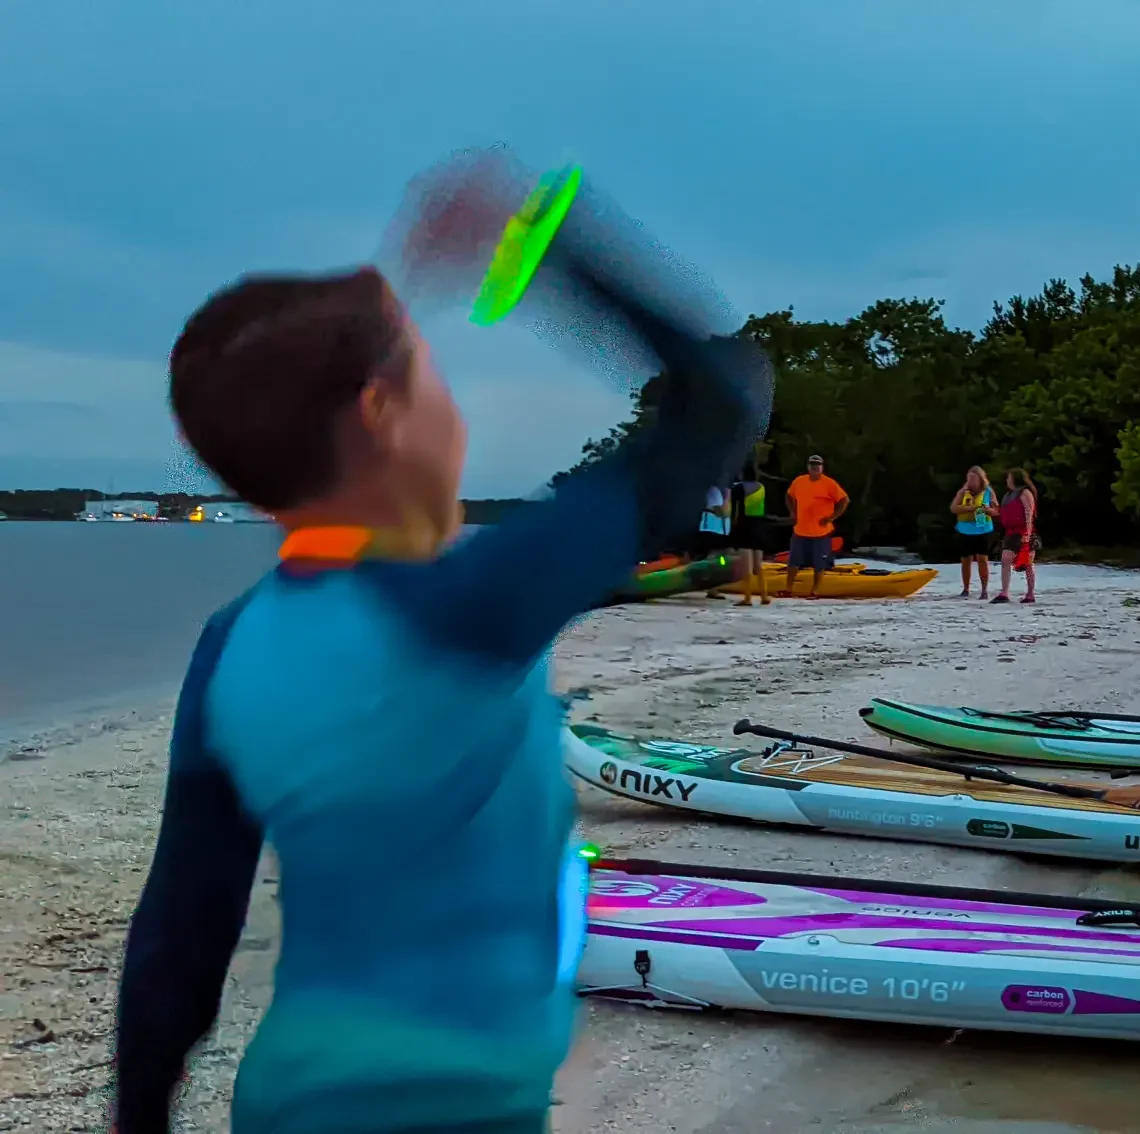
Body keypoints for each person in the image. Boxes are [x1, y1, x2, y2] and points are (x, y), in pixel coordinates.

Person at [112, 170, 770, 1133]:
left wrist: (136, 1115)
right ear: (383, 410)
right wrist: (549, 244)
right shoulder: (468, 607)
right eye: (430, 372)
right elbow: (722, 403)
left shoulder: (230, 646)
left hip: (291, 1101)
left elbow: (181, 934)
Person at [785, 454, 847, 598]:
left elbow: (844, 500)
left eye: (817, 465)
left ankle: (815, 591)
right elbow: (788, 495)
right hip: (800, 530)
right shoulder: (799, 481)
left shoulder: (829, 483)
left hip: (821, 532)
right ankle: (788, 589)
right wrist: (792, 512)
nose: (814, 467)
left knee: (819, 563)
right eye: (812, 465)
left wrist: (831, 518)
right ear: (808, 467)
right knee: (793, 561)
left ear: (822, 467)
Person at [950, 466, 998, 598]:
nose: (970, 481)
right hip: (965, 530)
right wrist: (970, 508)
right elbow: (953, 508)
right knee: (966, 560)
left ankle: (984, 590)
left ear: (980, 479)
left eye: (973, 478)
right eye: (969, 478)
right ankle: (966, 589)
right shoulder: (963, 492)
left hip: (983, 529)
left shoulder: (988, 491)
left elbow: (996, 511)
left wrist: (987, 510)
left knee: (982, 559)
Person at [992, 468, 1037, 605]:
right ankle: (1004, 592)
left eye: (1009, 477)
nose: (1007, 480)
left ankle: (1030, 594)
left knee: (1027, 563)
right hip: (1011, 532)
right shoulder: (1008, 496)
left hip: (1023, 531)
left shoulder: (1025, 493)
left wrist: (1027, 534)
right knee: (1005, 559)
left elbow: (1029, 513)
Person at [728, 463, 770, 606]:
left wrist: (732, 529)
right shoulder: (762, 487)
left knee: (746, 566)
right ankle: (764, 596)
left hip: (744, 527)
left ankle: (747, 598)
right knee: (758, 565)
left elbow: (734, 510)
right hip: (759, 527)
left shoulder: (738, 488)